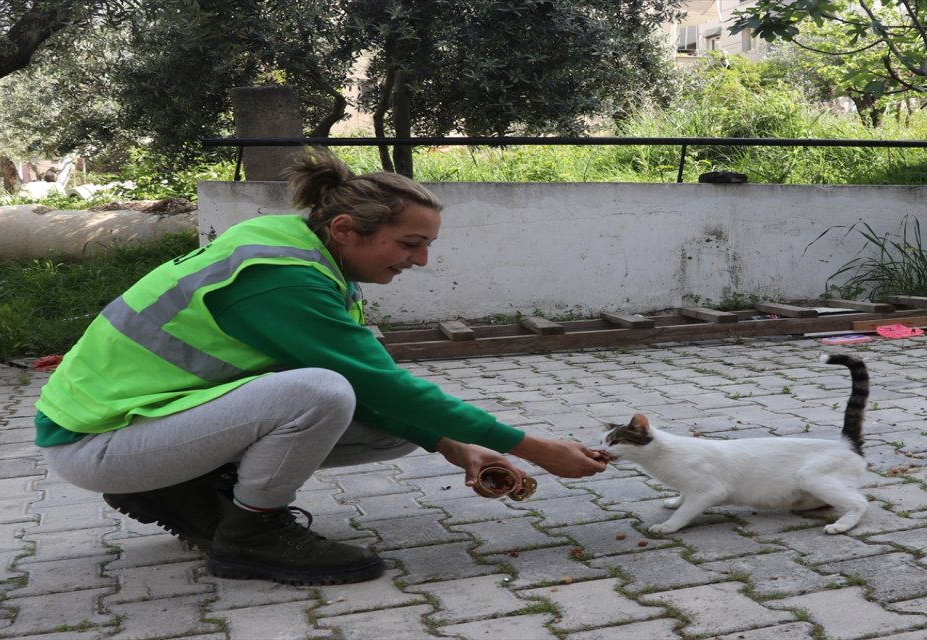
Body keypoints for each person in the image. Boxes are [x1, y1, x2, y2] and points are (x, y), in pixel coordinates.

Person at [34, 146, 608, 586]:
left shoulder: (304, 252)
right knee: (322, 392)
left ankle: (185, 495)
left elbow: (387, 395)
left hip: (146, 426)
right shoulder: (280, 276)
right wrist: (536, 448)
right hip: (98, 443)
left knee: (390, 427)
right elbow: (379, 382)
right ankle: (249, 534)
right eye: (409, 244)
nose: (422, 260)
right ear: (344, 229)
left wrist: (460, 447)